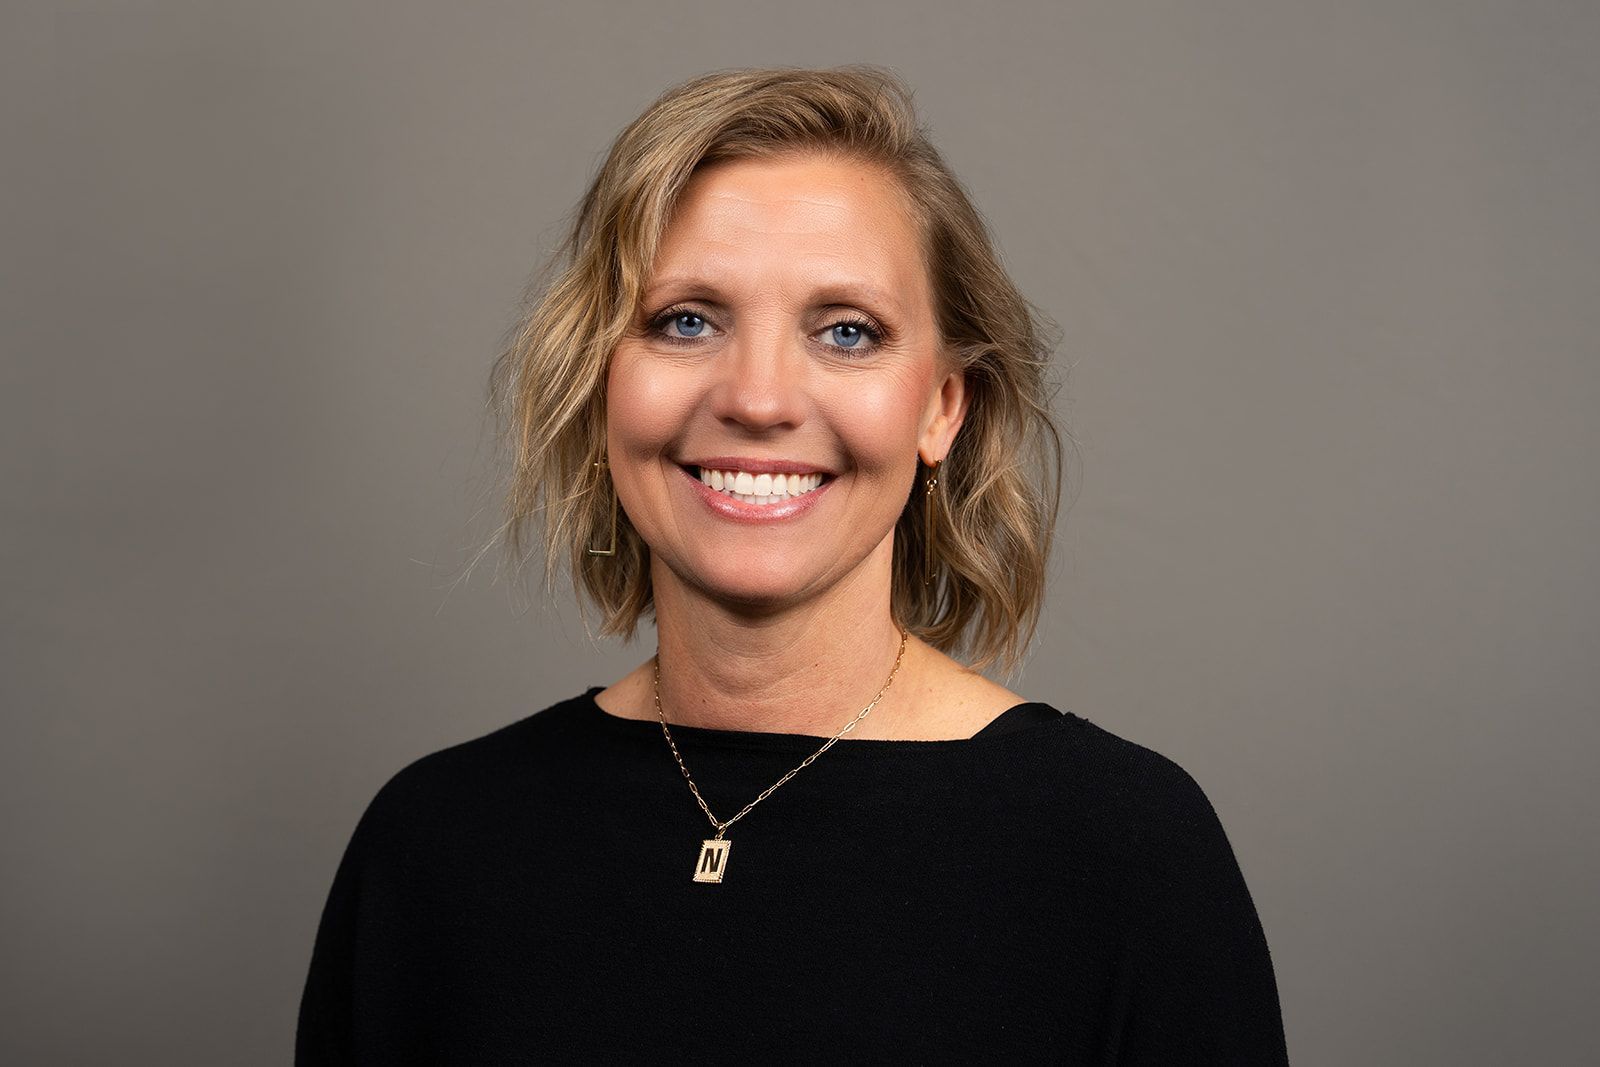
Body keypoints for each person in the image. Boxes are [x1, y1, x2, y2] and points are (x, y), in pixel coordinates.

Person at [295, 66, 1289, 1064]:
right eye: (686, 319)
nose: (759, 398)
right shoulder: (433, 845)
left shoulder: (1121, 850)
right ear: (602, 380)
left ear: (943, 405)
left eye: (845, 331)